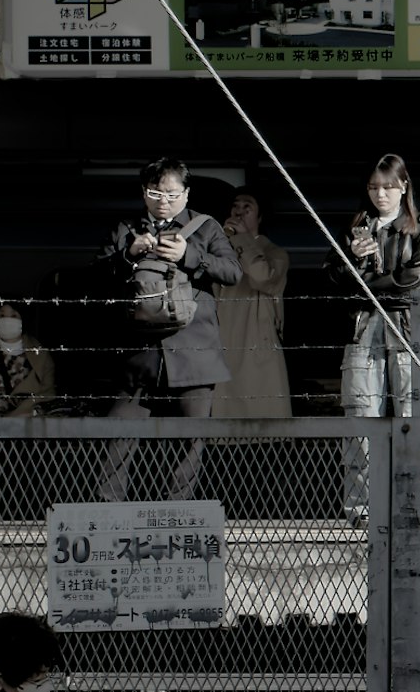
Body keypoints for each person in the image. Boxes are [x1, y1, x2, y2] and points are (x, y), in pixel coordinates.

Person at [96, 157, 241, 500]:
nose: (164, 201)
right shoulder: (124, 228)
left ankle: (178, 514)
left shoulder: (206, 228)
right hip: (137, 357)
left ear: (187, 194)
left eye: (172, 194)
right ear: (144, 193)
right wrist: (127, 255)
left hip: (193, 353)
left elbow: (233, 272)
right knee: (117, 436)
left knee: (189, 443)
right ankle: (108, 514)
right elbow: (95, 277)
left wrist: (190, 256)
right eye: (155, 193)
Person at [337, 154, 420, 428]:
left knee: (415, 416)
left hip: (410, 332)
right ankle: (365, 475)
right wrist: (353, 257)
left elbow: (415, 283)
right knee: (360, 416)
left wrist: (359, 279)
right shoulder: (353, 230)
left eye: (388, 186)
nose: (380, 194)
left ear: (404, 186)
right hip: (363, 331)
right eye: (373, 187)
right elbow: (331, 279)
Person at [213, 191, 293, 420]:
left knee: (261, 421)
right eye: (235, 205)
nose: (238, 211)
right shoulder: (220, 252)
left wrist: (242, 239)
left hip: (257, 344)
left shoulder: (275, 253)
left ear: (260, 218)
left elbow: (262, 277)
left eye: (248, 206)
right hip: (223, 343)